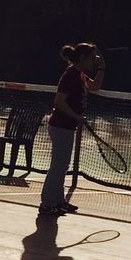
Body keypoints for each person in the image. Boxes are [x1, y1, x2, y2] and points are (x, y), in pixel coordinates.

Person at [40, 42, 105, 218]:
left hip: (67, 127)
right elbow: (59, 102)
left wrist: (101, 68)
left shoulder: (80, 75)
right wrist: (77, 117)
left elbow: (95, 87)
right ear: (82, 58)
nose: (93, 61)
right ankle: (47, 204)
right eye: (91, 58)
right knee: (58, 166)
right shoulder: (70, 76)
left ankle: (58, 201)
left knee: (62, 166)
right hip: (60, 126)